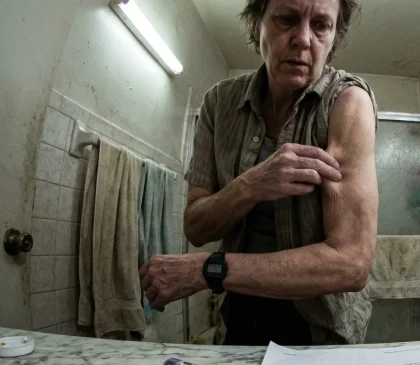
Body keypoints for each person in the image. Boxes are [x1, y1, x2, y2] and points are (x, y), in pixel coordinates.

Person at [138, 0, 378, 346]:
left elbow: (351, 264)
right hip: (239, 314)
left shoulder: (347, 102)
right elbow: (196, 227)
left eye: (321, 25)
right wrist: (251, 184)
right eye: (287, 19)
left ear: (334, 37)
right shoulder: (219, 103)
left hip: (322, 328)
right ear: (256, 25)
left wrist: (208, 269)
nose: (303, 39)